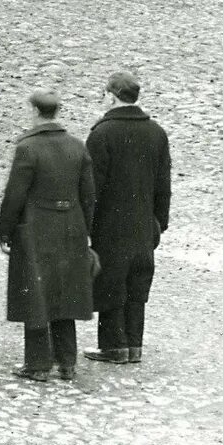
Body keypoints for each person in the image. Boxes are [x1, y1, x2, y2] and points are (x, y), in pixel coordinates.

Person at [0, 89, 95, 383]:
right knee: (65, 294)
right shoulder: (77, 146)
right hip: (71, 227)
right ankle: (67, 364)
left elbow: (15, 195)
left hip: (36, 228)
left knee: (35, 294)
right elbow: (89, 196)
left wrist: (4, 231)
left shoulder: (27, 148)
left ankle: (37, 365)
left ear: (34, 110)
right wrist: (84, 229)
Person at [83, 69, 171, 366]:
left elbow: (92, 187)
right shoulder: (156, 132)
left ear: (110, 95)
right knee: (137, 285)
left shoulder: (102, 134)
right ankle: (134, 345)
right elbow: (163, 184)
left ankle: (113, 347)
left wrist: (86, 226)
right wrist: (160, 222)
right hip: (145, 222)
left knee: (111, 283)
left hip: (110, 223)